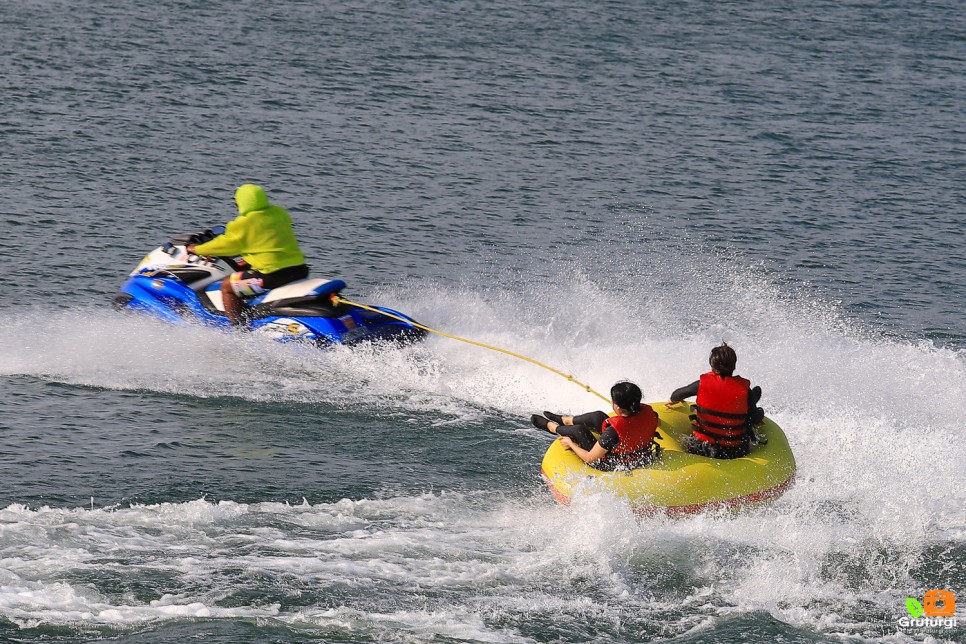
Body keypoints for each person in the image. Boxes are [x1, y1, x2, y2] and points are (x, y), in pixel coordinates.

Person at [187, 184, 308, 326]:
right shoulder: (279, 213)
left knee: (227, 286)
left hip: (272, 276)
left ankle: (239, 330)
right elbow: (268, 244)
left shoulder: (245, 223)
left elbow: (225, 245)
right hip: (298, 269)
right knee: (242, 273)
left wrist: (197, 249)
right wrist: (246, 261)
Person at [531, 381, 660, 471]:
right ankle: (565, 420)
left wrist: (571, 444)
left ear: (618, 408)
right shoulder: (650, 414)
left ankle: (552, 427)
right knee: (597, 416)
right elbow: (650, 423)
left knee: (578, 430)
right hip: (638, 453)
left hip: (614, 463)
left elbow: (590, 458)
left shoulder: (613, 432)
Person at [668, 343, 764, 459]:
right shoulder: (745, 390)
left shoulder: (701, 385)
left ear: (712, 365)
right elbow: (755, 418)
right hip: (734, 451)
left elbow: (675, 395)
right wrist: (760, 412)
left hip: (701, 448)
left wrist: (674, 400)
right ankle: (752, 400)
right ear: (733, 366)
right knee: (752, 404)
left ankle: (752, 399)